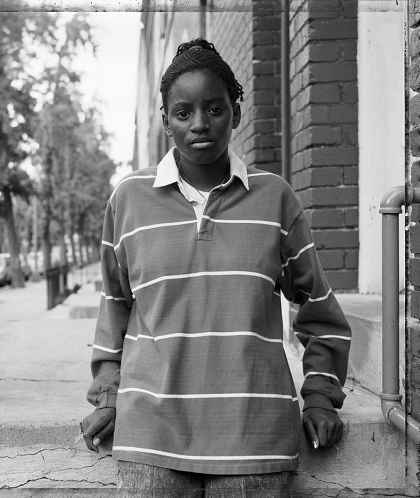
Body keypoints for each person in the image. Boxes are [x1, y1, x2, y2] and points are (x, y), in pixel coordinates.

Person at [81, 39, 351, 497]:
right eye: (183, 112)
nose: (200, 124)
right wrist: (109, 396)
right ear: (165, 121)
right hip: (151, 439)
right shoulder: (127, 198)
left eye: (215, 109)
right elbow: (115, 308)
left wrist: (321, 395)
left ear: (237, 113)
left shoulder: (275, 198)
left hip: (255, 440)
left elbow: (321, 312)